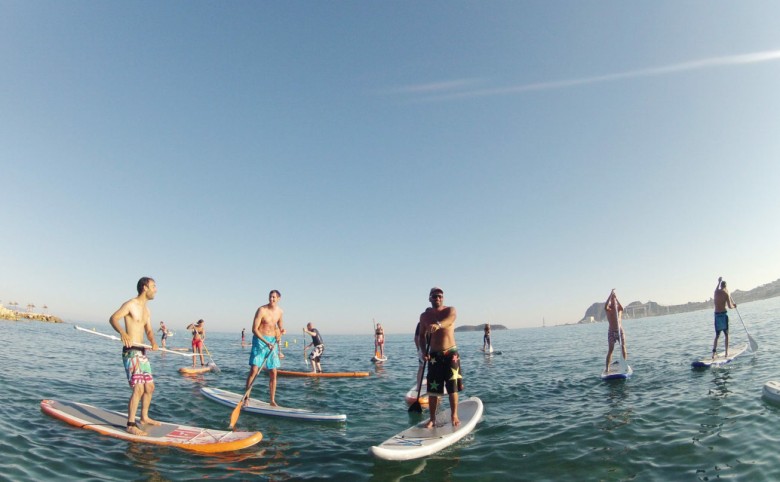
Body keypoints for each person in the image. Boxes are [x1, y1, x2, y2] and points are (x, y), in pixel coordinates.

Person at [108, 277, 160, 436]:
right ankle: (130, 424)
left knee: (149, 387)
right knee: (138, 388)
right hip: (131, 352)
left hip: (142, 352)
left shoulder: (147, 310)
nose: (155, 289)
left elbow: (149, 330)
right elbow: (113, 318)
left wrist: (153, 341)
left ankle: (143, 417)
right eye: (153, 286)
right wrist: (123, 333)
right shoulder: (131, 304)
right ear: (145, 287)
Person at [418, 286, 463, 428]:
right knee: (433, 389)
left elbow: (450, 320)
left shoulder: (450, 310)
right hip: (434, 356)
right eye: (434, 296)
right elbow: (421, 336)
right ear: (429, 298)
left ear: (443, 298)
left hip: (451, 354)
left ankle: (454, 415)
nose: (437, 298)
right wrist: (423, 351)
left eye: (440, 296)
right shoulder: (424, 316)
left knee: (452, 388)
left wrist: (438, 325)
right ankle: (432, 418)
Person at [244, 290, 285, 406]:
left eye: (274, 297)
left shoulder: (280, 312)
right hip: (260, 341)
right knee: (254, 370)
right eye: (270, 297)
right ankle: (246, 398)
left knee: (273, 372)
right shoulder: (262, 310)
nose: (271, 299)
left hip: (273, 342)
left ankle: (272, 400)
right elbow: (254, 329)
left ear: (278, 299)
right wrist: (266, 342)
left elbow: (280, 326)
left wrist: (282, 331)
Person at [712, 277, 737, 358]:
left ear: (720, 285)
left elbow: (716, 288)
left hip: (716, 316)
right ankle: (726, 353)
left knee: (717, 335)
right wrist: (734, 306)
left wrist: (718, 281)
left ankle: (713, 354)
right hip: (723, 315)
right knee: (726, 335)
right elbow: (730, 306)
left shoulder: (716, 292)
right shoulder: (726, 294)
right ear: (726, 286)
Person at [604, 289, 627, 371]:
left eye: (615, 301)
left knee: (623, 347)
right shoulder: (609, 309)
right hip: (611, 331)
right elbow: (605, 306)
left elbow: (622, 308)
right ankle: (607, 368)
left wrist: (616, 298)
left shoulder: (619, 310)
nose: (613, 302)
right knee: (611, 349)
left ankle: (624, 364)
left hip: (620, 330)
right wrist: (610, 295)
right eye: (612, 301)